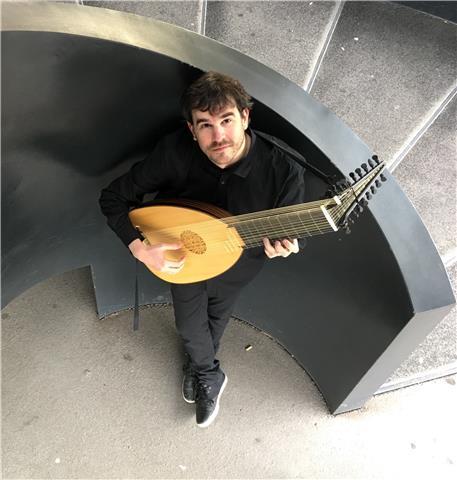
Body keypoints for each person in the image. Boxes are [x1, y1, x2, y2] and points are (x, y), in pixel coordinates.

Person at [99, 71, 306, 428]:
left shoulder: (284, 170)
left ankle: (200, 364)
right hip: (183, 254)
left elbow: (295, 232)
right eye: (205, 125)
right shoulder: (174, 152)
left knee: (216, 317)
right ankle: (209, 374)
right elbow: (113, 198)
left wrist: (285, 247)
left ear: (245, 117)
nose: (219, 136)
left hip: (241, 262)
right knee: (188, 324)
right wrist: (140, 248)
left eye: (227, 120)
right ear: (191, 130)